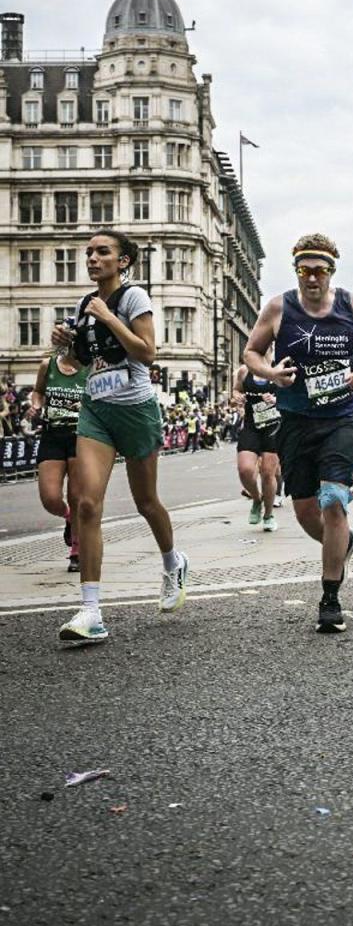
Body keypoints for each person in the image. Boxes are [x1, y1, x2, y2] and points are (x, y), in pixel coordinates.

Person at [243, 232, 353, 634]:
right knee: (306, 511)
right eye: (304, 270)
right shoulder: (278, 308)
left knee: (334, 499)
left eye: (319, 270)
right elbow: (251, 353)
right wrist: (270, 373)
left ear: (331, 272)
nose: (312, 278)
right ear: (296, 271)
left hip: (343, 417)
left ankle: (329, 597)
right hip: (295, 421)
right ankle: (342, 544)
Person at [54, 231, 187, 647]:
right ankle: (91, 611)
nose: (92, 258)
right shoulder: (84, 305)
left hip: (136, 410)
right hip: (96, 408)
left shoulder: (133, 298)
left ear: (123, 261)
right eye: (89, 252)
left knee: (146, 502)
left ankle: (172, 561)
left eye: (102, 252)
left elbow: (147, 352)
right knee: (87, 504)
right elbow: (80, 360)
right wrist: (66, 346)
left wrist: (109, 318)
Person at [31, 347, 89, 572]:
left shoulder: (89, 369)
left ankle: (77, 550)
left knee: (76, 496)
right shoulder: (48, 366)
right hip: (52, 434)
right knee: (50, 498)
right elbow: (38, 391)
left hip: (80, 435)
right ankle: (68, 518)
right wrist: (36, 405)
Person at [232, 363, 282, 531]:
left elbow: (296, 394)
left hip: (273, 427)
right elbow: (236, 390)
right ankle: (256, 498)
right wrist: (237, 396)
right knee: (244, 469)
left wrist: (276, 400)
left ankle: (268, 515)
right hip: (251, 426)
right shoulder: (244, 371)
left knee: (268, 473)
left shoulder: (281, 368)